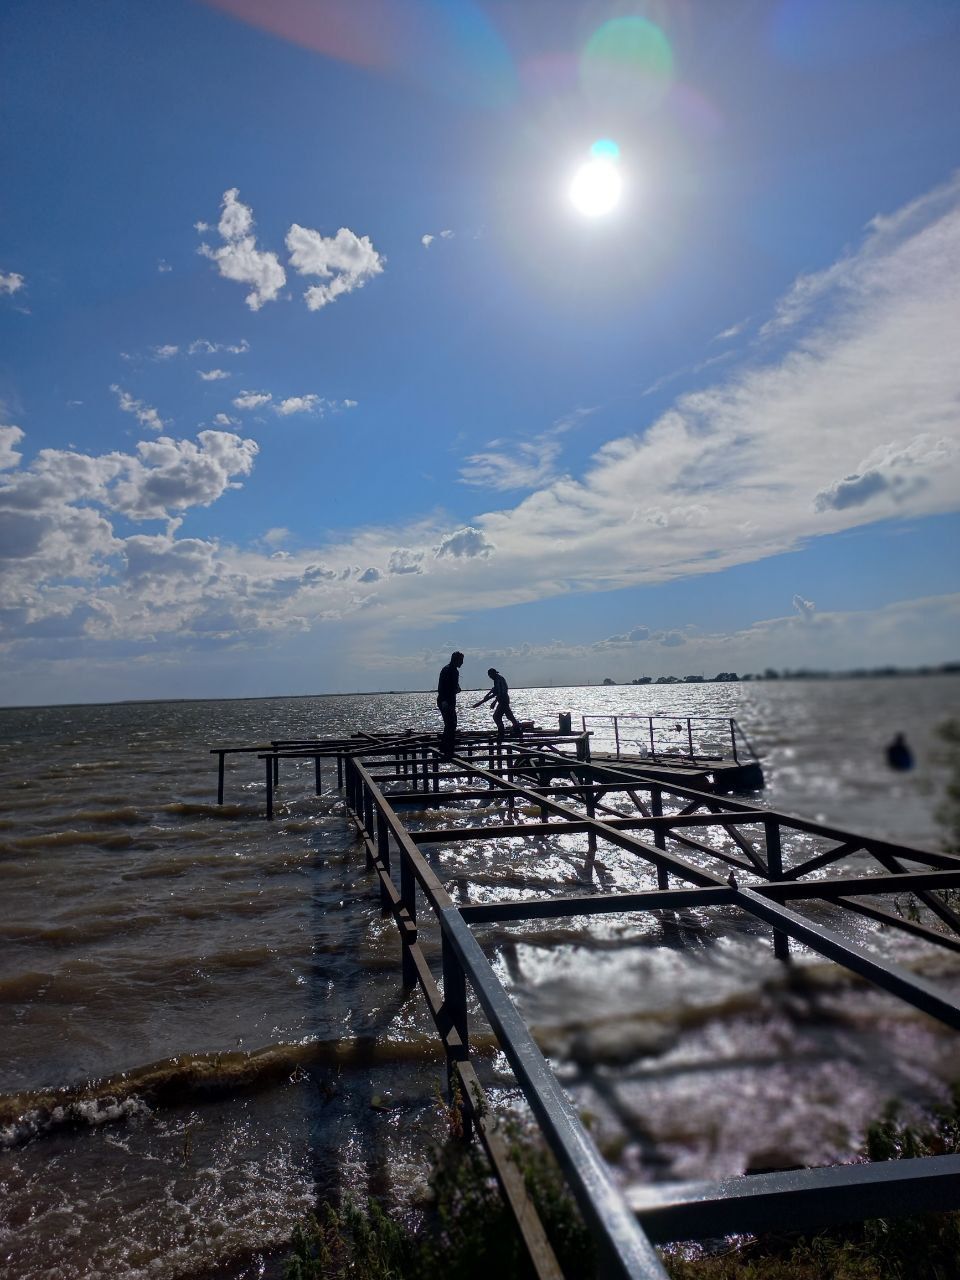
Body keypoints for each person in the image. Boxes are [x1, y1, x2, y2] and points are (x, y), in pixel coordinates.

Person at [473, 667, 523, 737]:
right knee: (509, 716)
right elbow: (494, 689)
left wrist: (494, 701)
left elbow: (501, 693)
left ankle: (501, 732)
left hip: (503, 700)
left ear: (493, 674)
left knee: (496, 716)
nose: (490, 677)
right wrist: (487, 695)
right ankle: (517, 729)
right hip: (502, 700)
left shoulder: (499, 679)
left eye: (490, 676)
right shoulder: (496, 680)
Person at [437, 651, 464, 758]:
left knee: (450, 724)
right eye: (461, 660)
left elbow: (453, 686)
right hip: (445, 701)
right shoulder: (449, 670)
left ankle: (444, 747)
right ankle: (449, 751)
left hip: (448, 701)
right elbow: (442, 687)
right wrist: (444, 701)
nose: (462, 662)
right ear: (456, 660)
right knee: (451, 724)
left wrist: (457, 688)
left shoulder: (452, 670)